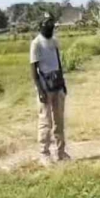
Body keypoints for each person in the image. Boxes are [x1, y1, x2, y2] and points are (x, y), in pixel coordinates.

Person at [30, 13, 70, 165]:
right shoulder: (36, 43)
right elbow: (33, 68)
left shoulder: (54, 41)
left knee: (59, 120)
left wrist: (63, 82)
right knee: (45, 121)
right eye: (47, 24)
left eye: (52, 25)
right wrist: (40, 90)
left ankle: (61, 152)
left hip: (57, 84)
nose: (51, 27)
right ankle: (44, 154)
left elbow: (58, 62)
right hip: (45, 86)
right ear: (41, 26)